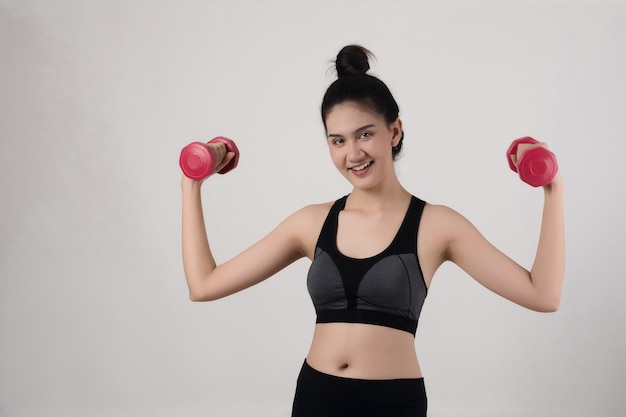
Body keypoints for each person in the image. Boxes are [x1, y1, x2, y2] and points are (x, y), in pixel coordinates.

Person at [180, 45, 565, 417]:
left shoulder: (437, 225)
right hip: (317, 397)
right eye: (338, 141)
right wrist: (191, 184)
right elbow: (204, 285)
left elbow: (542, 294)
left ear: (394, 131)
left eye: (365, 134)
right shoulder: (311, 223)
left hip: (393, 403)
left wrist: (553, 187)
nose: (353, 154)